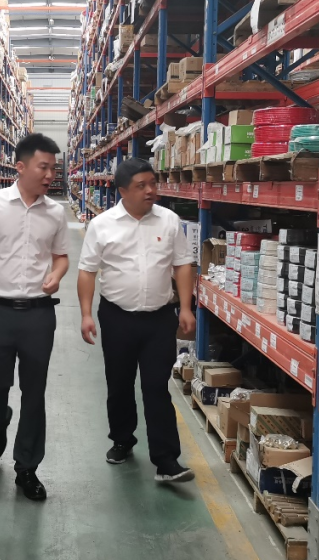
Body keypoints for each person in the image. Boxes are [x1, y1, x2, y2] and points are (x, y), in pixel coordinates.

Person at [0, 133, 69, 501]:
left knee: (34, 392)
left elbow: (61, 256)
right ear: (20, 167)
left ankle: (27, 467)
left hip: (39, 315)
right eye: (44, 167)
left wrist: (56, 274)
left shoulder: (55, 213)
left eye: (54, 168)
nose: (50, 174)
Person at [76, 157, 197, 483]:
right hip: (117, 317)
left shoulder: (169, 221)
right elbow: (87, 271)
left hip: (159, 318)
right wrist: (86, 314)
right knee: (119, 383)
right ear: (122, 191)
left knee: (157, 387)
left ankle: (166, 460)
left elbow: (183, 264)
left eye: (153, 183)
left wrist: (186, 307)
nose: (150, 191)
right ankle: (122, 439)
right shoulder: (103, 225)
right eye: (141, 186)